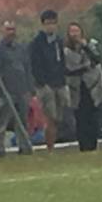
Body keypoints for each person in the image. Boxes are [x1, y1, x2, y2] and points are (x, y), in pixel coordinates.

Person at [0, 19, 34, 154]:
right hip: (6, 91)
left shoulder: (21, 49)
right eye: (8, 29)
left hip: (22, 90)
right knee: (2, 121)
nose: (11, 32)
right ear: (3, 31)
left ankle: (24, 146)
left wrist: (30, 88)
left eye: (13, 29)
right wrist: (1, 89)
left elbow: (27, 68)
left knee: (22, 121)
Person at [62, 22, 102, 151]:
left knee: (92, 116)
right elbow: (67, 69)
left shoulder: (89, 46)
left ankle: (93, 144)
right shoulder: (65, 51)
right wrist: (83, 68)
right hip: (76, 88)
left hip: (91, 86)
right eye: (72, 31)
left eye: (77, 31)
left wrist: (85, 46)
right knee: (80, 117)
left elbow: (97, 59)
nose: (75, 34)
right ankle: (83, 144)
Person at [28, 9, 70, 146]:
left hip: (60, 83)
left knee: (62, 113)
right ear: (43, 25)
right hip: (45, 85)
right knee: (49, 117)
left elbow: (62, 61)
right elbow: (35, 65)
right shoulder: (37, 43)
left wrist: (63, 79)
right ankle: (49, 146)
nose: (50, 26)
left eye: (53, 23)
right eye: (47, 23)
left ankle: (59, 140)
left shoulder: (58, 41)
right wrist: (42, 83)